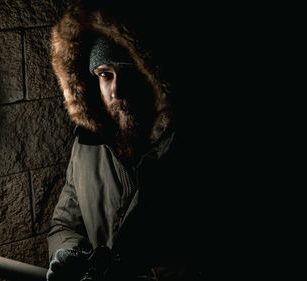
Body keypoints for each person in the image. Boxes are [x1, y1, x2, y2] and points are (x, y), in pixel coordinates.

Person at [46, 1, 211, 280]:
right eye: (105, 75)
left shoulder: (189, 146)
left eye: (128, 72)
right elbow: (64, 224)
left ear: (151, 76)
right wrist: (70, 255)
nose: (117, 90)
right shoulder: (87, 146)